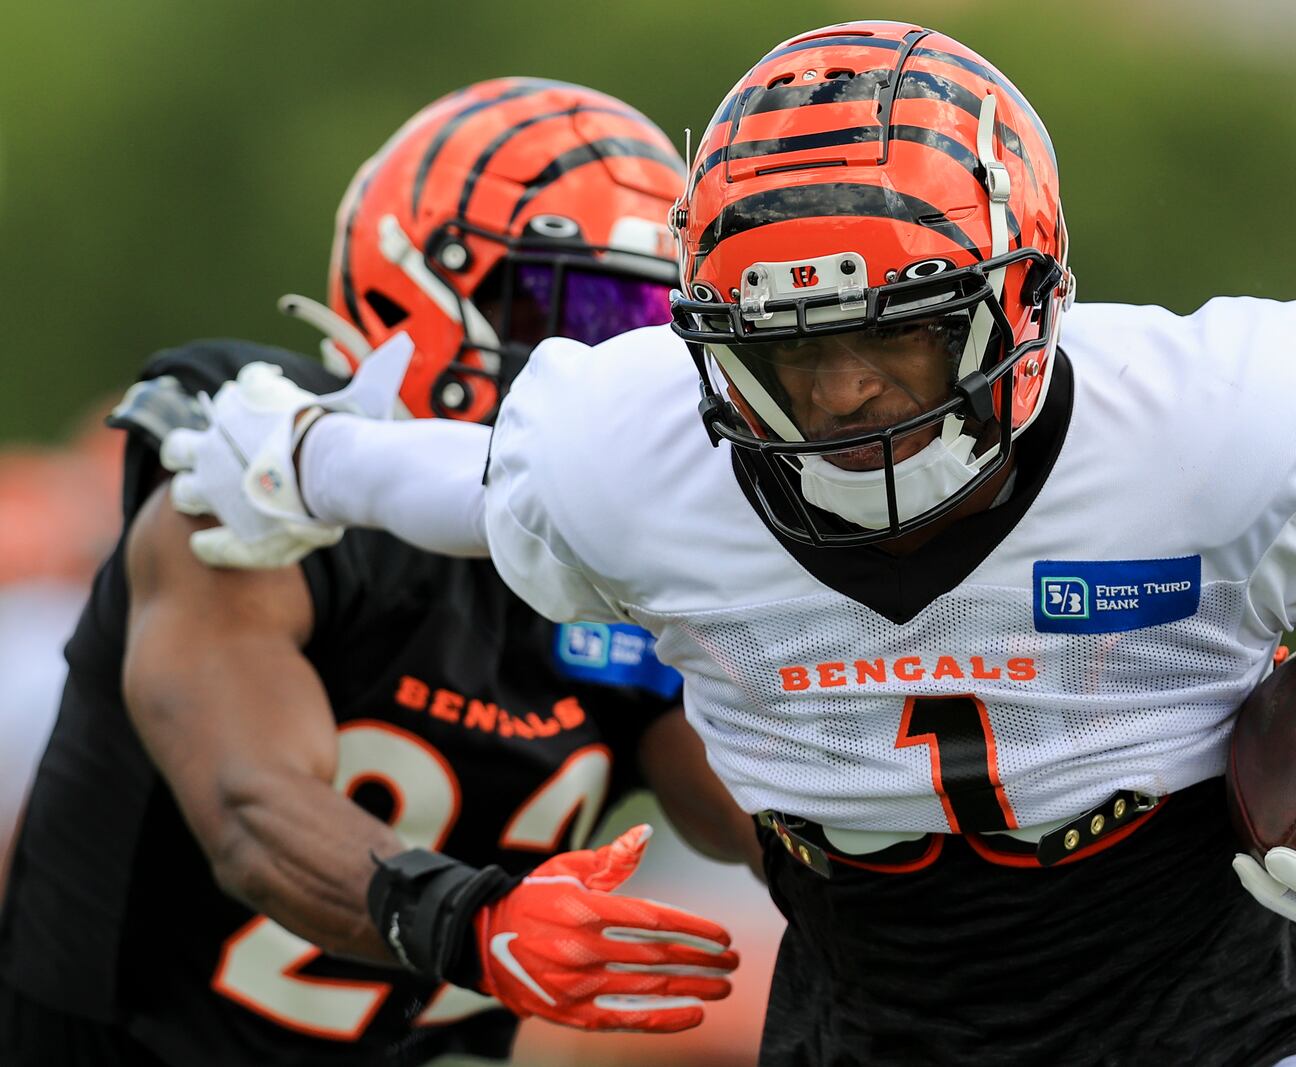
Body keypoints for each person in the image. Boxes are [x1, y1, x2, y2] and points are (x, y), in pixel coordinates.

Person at [162, 22, 1296, 1067]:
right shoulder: (631, 453)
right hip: (871, 1015)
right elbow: (472, 479)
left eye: (896, 344)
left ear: (1024, 302)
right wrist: (296, 458)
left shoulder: (1222, 432)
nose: (846, 404)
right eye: (794, 359)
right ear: (706, 348)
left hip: (1216, 998)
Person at [0, 78, 750, 1067]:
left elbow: (772, 816)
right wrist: (472, 923)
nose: (606, 368)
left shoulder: (622, 547)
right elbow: (250, 805)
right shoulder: (254, 457)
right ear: (414, 288)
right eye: (580, 308)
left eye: (649, 325)